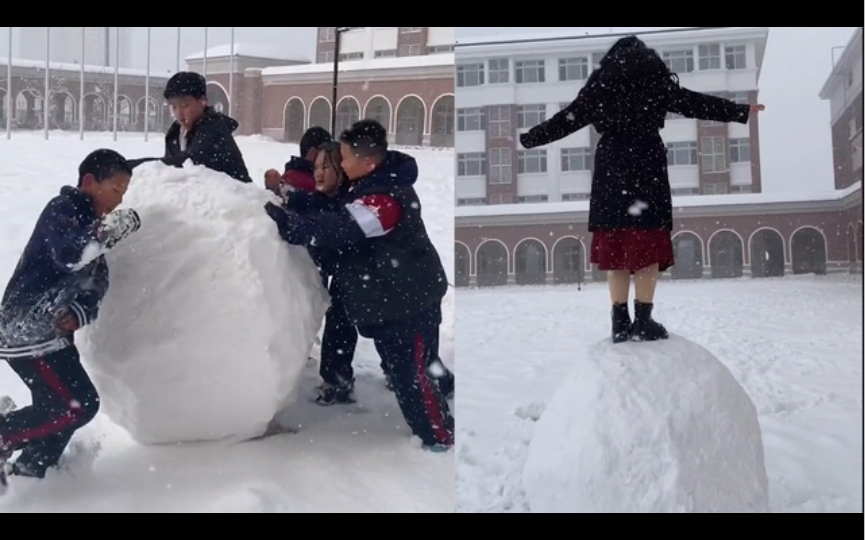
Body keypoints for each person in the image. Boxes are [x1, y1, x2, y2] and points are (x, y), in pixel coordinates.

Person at [520, 36, 764, 343]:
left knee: (617, 251)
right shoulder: (655, 82)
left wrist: (531, 138)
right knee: (648, 248)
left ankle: (619, 321)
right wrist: (740, 110)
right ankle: (644, 320)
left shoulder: (600, 86)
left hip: (611, 169)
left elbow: (568, 119)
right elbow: (695, 103)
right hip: (647, 165)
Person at [264, 120, 454, 449]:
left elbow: (341, 227)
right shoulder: (366, 185)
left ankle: (440, 437)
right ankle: (438, 399)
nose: (341, 162)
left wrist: (293, 226)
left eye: (345, 157)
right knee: (409, 370)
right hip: (392, 301)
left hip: (408, 302)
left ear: (368, 162)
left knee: (412, 377)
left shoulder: (383, 200)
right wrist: (293, 203)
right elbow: (332, 207)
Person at [0, 149, 142, 486]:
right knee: (75, 408)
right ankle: (6, 435)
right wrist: (108, 231)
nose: (118, 201)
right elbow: (70, 254)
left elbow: (97, 280)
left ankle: (31, 472)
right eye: (117, 190)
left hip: (52, 334)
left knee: (68, 407)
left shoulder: (90, 224)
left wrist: (81, 311)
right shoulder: (61, 211)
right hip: (25, 330)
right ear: (91, 182)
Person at [127, 71, 252, 183]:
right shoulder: (175, 133)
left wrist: (130, 166)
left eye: (184, 105)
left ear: (203, 101)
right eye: (174, 106)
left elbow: (188, 161)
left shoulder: (213, 128)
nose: (179, 113)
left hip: (235, 203)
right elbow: (170, 175)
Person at [264, 127, 332, 196]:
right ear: (313, 152)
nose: (329, 159)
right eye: (326, 154)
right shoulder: (299, 181)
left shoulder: (296, 177)